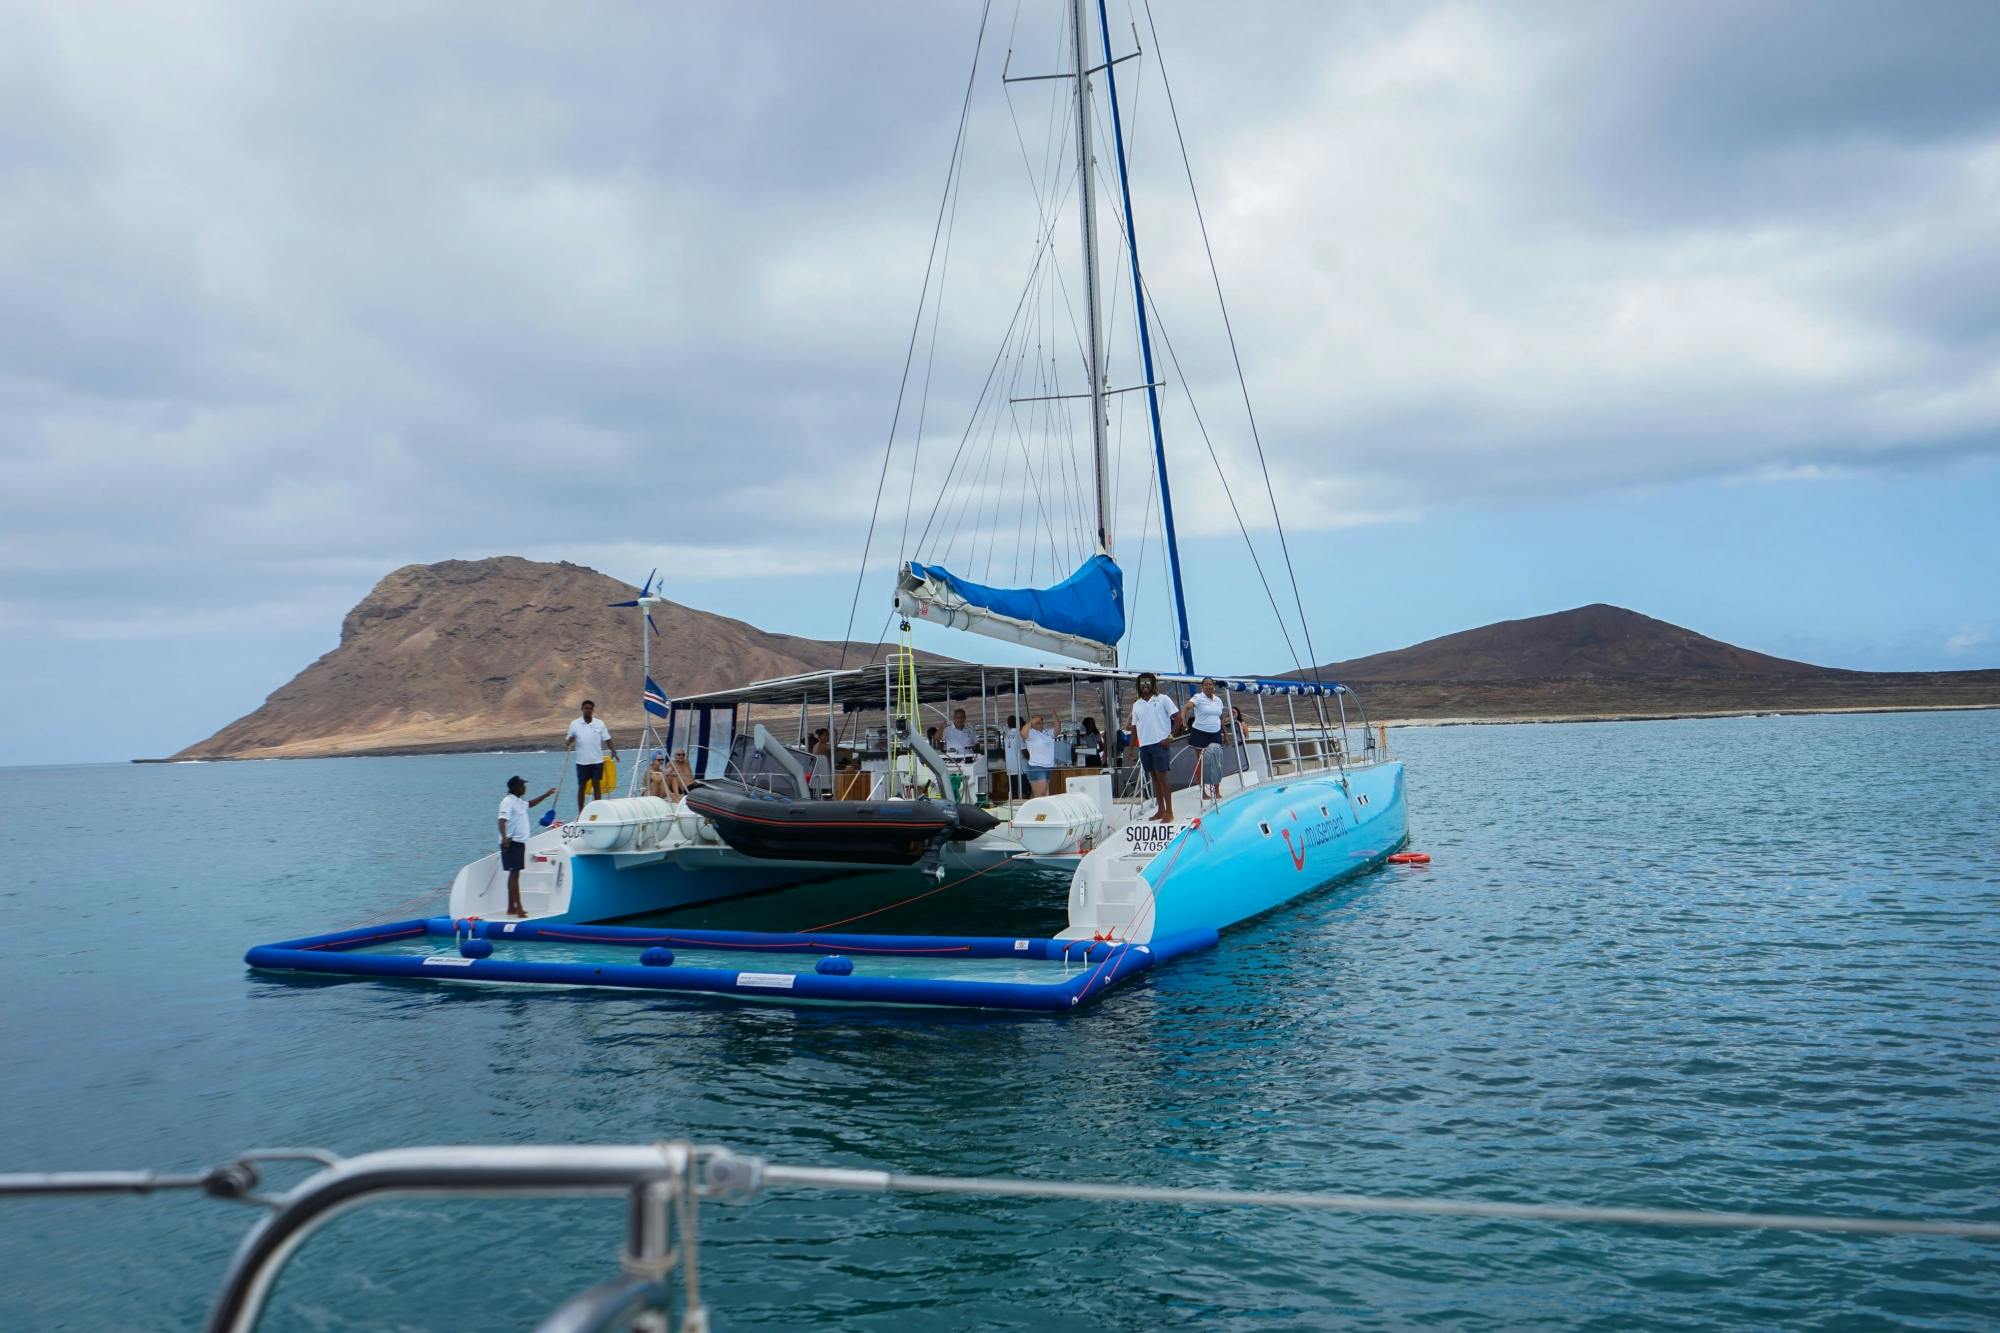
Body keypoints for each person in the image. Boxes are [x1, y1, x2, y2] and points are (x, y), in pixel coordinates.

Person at [497, 775, 557, 918]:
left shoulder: (519, 801)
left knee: (514, 874)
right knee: (514, 874)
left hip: (519, 843)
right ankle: (519, 909)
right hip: (511, 843)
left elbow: (530, 804)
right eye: (522, 785)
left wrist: (546, 795)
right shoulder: (507, 801)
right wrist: (505, 838)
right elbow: (501, 820)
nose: (525, 787)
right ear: (514, 788)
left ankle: (511, 907)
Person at [1130, 673, 1179, 822]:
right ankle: (1160, 810)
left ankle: (1169, 812)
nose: (1145, 685)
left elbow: (1178, 718)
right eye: (1142, 683)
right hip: (1144, 746)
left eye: (1148, 682)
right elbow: (1134, 727)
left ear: (1153, 684)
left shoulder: (1163, 699)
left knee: (1162, 779)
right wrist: (1131, 748)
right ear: (1139, 685)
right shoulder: (1136, 704)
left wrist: (1170, 737)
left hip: (1159, 744)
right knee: (1154, 780)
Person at [565, 700, 616, 813]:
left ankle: (598, 811)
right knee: (581, 787)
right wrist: (570, 740)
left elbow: (607, 739)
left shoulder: (599, 724)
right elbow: (567, 742)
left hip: (597, 760)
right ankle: (581, 812)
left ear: (593, 710)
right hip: (582, 762)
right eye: (586, 708)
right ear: (582, 709)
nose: (588, 710)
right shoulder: (575, 724)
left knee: (596, 785)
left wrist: (614, 751)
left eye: (590, 708)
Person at [1181, 677, 1227, 799]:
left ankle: (1216, 790)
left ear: (1213, 686)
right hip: (1200, 734)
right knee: (1202, 763)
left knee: (1216, 763)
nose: (1208, 686)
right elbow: (1186, 707)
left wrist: (1226, 735)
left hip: (1215, 734)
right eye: (1206, 684)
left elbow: (1221, 718)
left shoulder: (1218, 700)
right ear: (1202, 687)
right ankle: (1203, 792)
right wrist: (1183, 717)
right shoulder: (1198, 698)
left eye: (1210, 684)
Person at [1020, 714, 1057, 798]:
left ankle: (1042, 809)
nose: (1038, 723)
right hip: (1036, 766)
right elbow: (1023, 733)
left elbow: (1057, 731)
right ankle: (1038, 810)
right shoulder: (1030, 733)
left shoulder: (1047, 732)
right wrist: (1031, 721)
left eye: (1040, 721)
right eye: (1036, 722)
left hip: (1048, 765)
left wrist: (1055, 717)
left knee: (1045, 793)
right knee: (1041, 794)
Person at [1002, 714, 1025, 801]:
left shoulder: (1007, 735)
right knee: (1024, 792)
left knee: (1014, 793)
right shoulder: (1020, 735)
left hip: (1010, 768)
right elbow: (1025, 751)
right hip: (1021, 768)